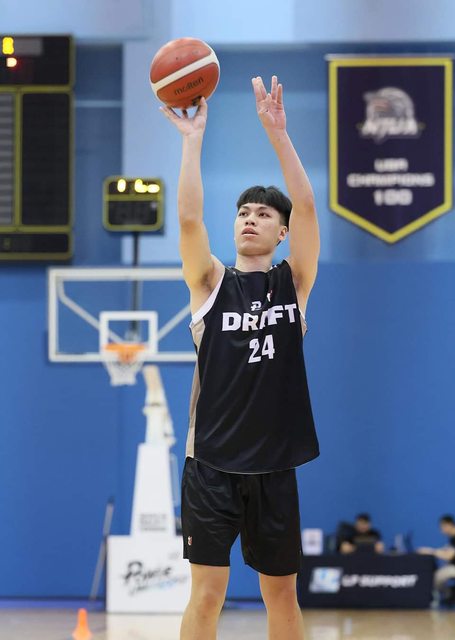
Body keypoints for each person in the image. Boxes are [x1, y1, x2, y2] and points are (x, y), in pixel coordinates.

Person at [161, 75, 320, 640]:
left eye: (263, 214)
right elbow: (188, 221)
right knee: (207, 594)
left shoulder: (293, 283)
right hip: (211, 463)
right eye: (244, 212)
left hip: (274, 465)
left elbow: (307, 206)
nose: (250, 218)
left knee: (282, 595)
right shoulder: (209, 283)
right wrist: (192, 140)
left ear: (282, 233)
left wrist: (278, 134)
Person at [418, 514, 455, 606]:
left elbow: (448, 556)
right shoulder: (454, 539)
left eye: (442, 527)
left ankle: (443, 597)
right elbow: (445, 550)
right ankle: (450, 594)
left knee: (436, 576)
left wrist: (430, 551)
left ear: (449, 524)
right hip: (454, 567)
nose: (441, 530)